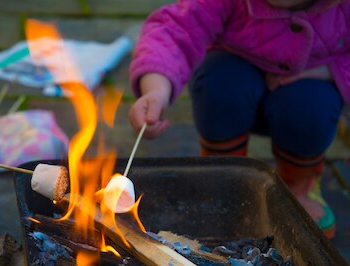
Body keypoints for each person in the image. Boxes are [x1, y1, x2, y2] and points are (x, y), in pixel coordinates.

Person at [128, 0, 350, 240]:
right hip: (236, 79)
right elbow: (175, 29)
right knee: (218, 83)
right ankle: (221, 178)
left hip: (308, 87)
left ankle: (297, 186)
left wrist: (330, 72)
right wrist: (156, 89)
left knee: (310, 106)